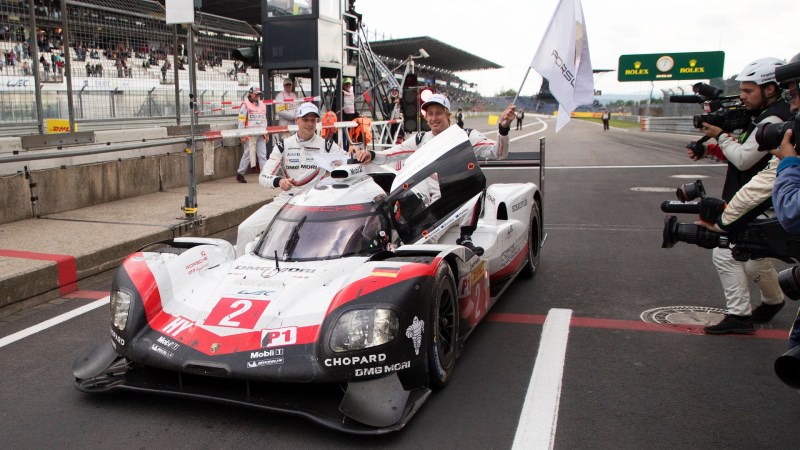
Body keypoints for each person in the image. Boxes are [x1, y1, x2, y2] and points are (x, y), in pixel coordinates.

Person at [688, 57, 793, 334]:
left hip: (764, 202)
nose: (742, 97)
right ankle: (772, 302)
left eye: (748, 91)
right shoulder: (768, 116)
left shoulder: (774, 121)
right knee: (756, 260)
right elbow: (748, 155)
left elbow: (746, 160)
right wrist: (711, 148)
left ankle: (739, 317)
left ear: (770, 89)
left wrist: (720, 135)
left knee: (725, 251)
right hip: (767, 199)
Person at [354, 93, 516, 255]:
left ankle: (466, 237)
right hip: (433, 207)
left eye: (438, 113)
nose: (434, 118)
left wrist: (503, 128)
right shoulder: (420, 140)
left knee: (476, 186)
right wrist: (372, 155)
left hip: (462, 205)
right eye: (430, 114)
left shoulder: (466, 136)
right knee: (420, 249)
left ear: (447, 114)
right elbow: (393, 153)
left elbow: (498, 153)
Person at [234, 103, 347, 256]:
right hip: (288, 200)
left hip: (314, 201)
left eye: (313, 120)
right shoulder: (283, 145)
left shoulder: (326, 145)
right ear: (297, 121)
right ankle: (240, 269)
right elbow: (263, 176)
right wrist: (279, 181)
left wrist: (355, 154)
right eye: (305, 119)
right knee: (245, 229)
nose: (310, 124)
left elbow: (347, 162)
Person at [235, 87, 269, 183]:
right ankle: (240, 173)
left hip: (261, 134)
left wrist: (266, 133)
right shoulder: (245, 105)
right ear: (250, 94)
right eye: (256, 94)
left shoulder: (262, 105)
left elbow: (264, 120)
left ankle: (264, 174)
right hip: (249, 134)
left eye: (259, 94)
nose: (257, 96)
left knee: (262, 155)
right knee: (248, 154)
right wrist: (241, 134)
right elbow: (241, 121)